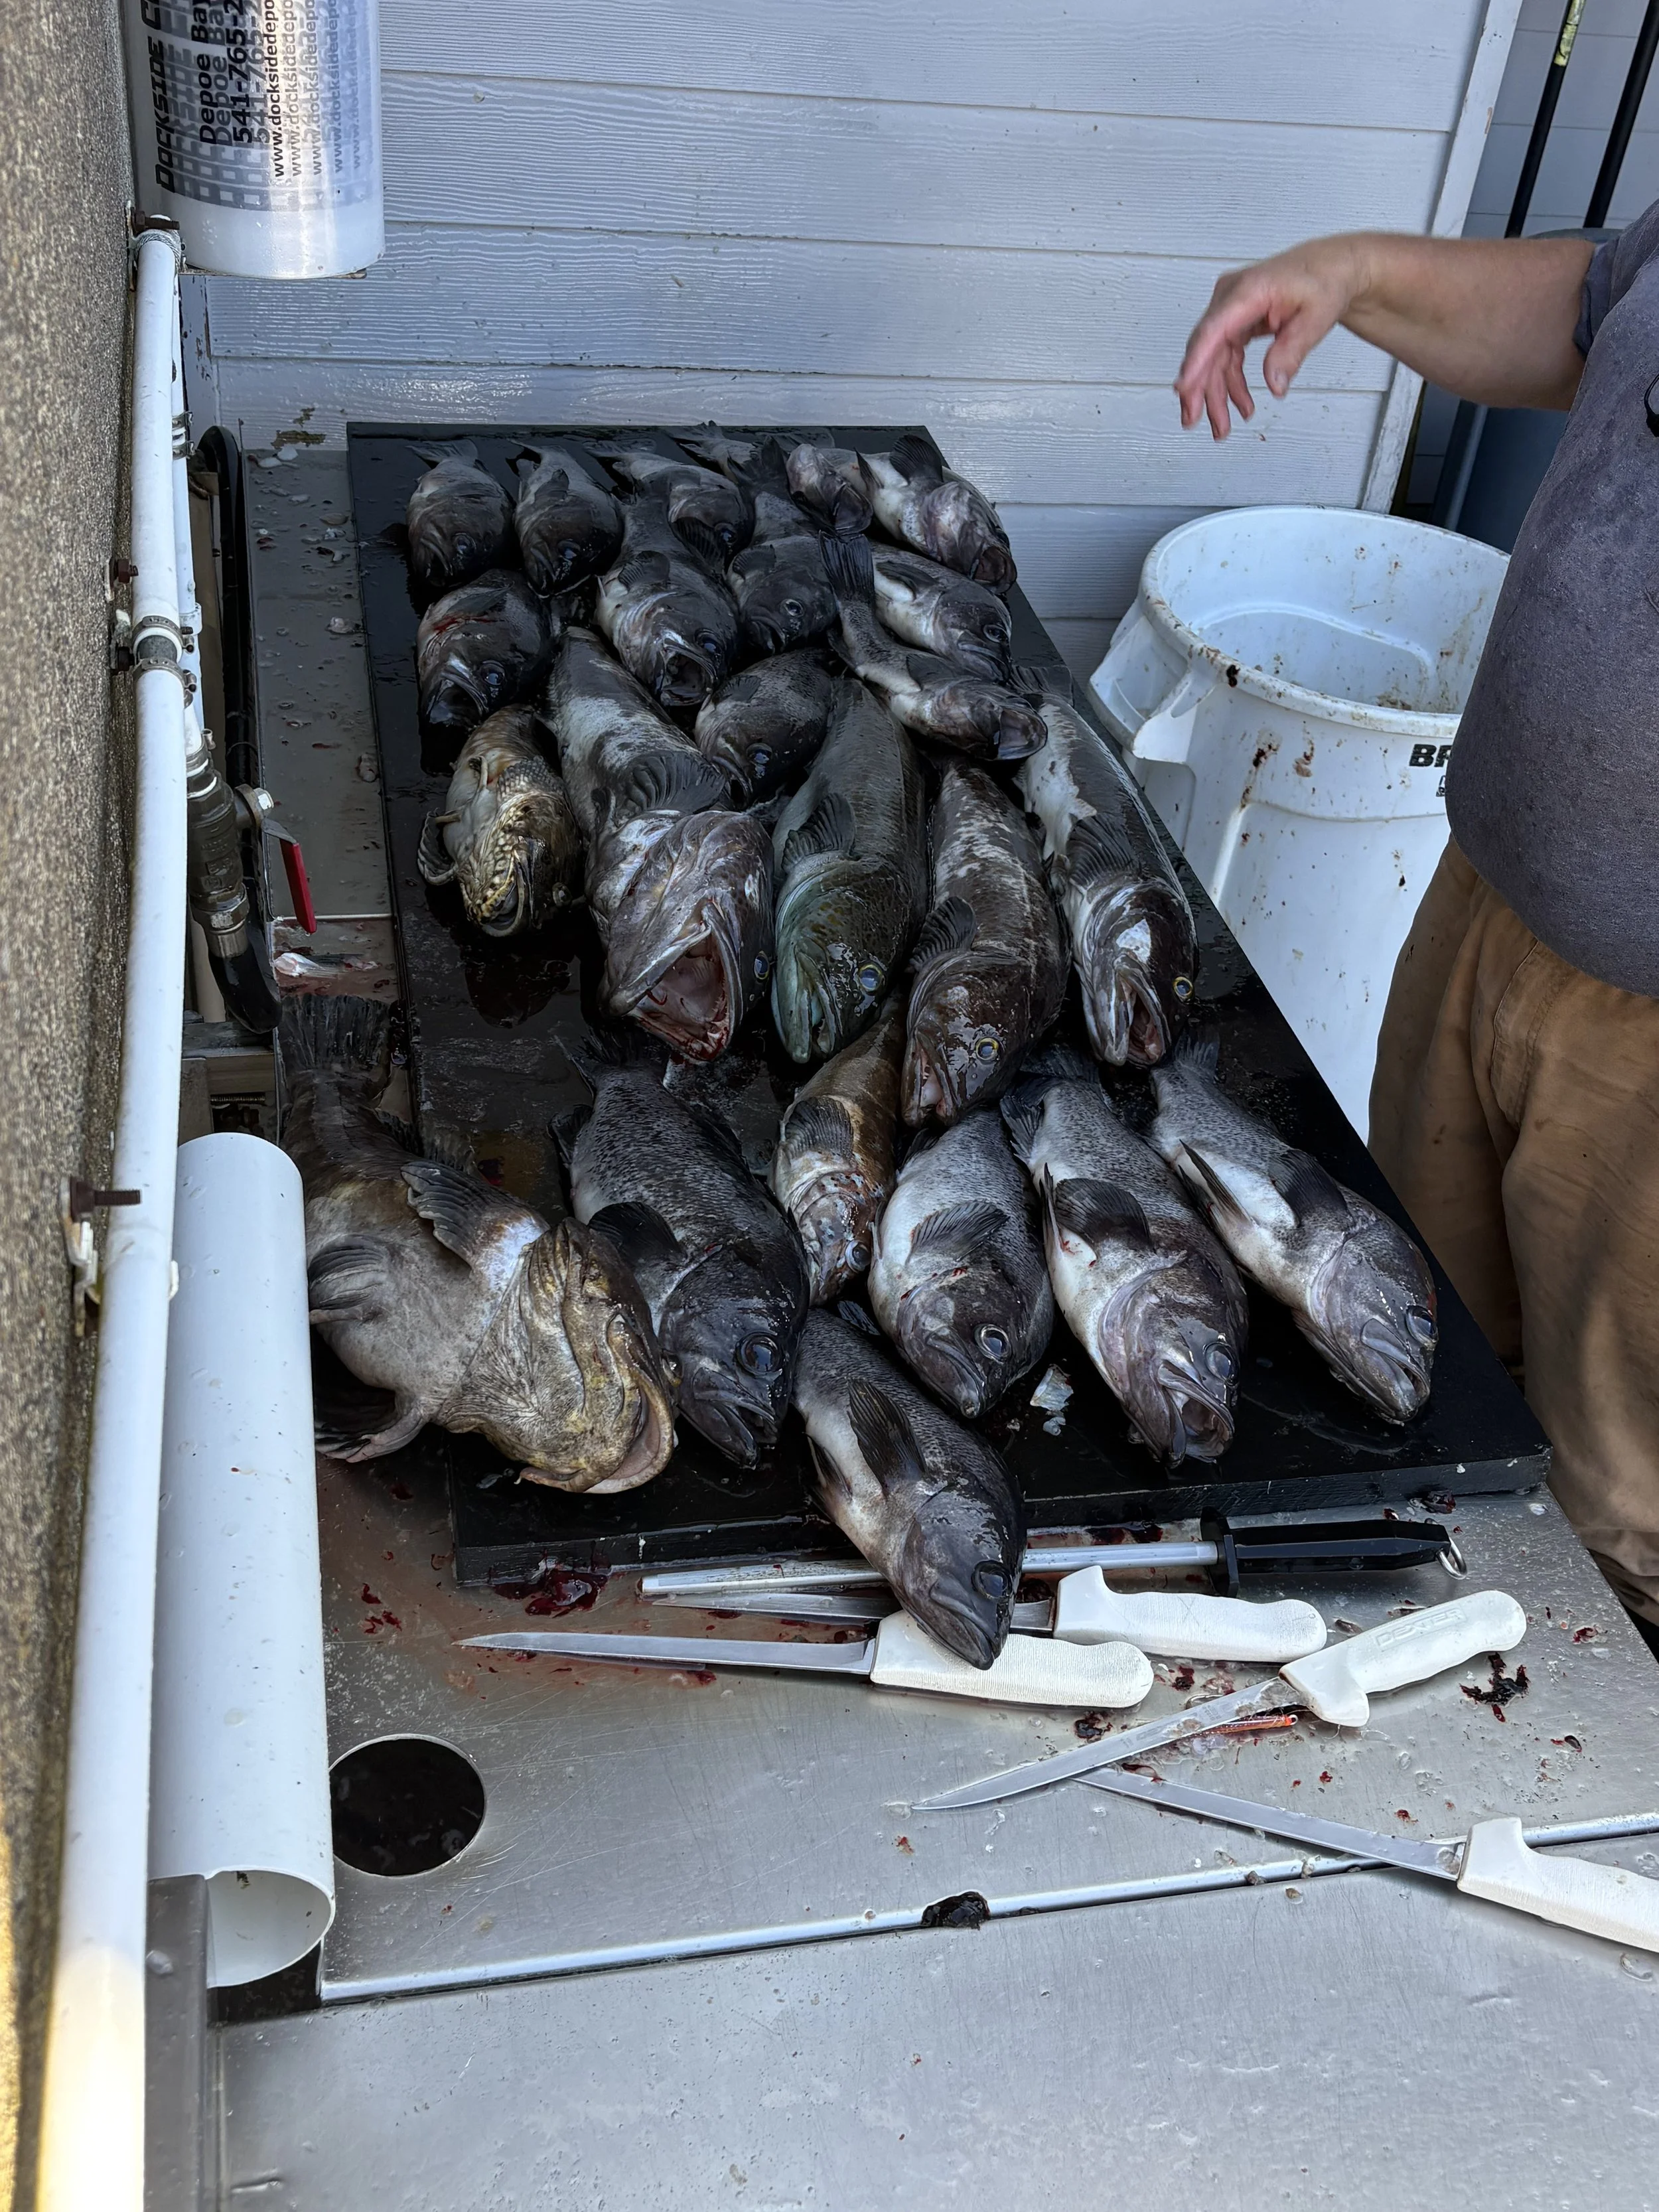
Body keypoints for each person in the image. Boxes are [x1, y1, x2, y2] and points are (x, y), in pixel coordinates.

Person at [1175, 224, 1659, 1643]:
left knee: (1617, 1501)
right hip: (1487, 898)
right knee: (1402, 1349)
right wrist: (1355, 279)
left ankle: (1584, 1785)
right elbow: (1591, 307)